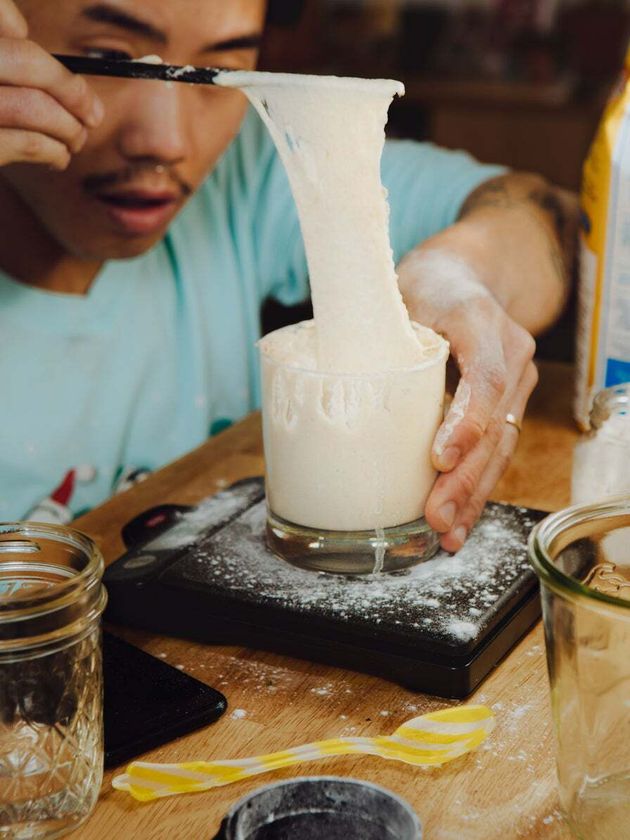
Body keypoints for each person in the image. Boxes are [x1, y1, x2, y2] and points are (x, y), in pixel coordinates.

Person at [0, 0, 577, 550]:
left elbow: (539, 210)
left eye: (219, 73)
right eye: (110, 61)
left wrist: (456, 272)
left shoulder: (249, 175)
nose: (166, 143)